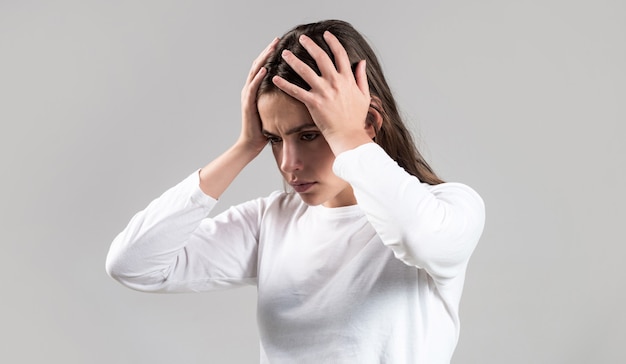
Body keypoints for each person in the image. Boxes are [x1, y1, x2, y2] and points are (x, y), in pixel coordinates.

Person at [106, 19, 485, 364]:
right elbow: (133, 264)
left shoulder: (448, 208)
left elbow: (415, 237)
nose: (288, 163)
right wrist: (244, 147)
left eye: (309, 135)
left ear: (369, 121)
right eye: (274, 139)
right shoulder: (270, 221)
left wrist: (349, 135)